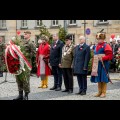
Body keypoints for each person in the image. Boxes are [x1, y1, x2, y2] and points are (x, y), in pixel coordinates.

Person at [14, 31, 36, 100]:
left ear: (29, 35)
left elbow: (34, 53)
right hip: (20, 63)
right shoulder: (21, 42)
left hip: (26, 64)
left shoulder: (31, 43)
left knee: (25, 79)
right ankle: (20, 95)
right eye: (24, 34)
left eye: (26, 34)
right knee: (19, 78)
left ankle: (26, 95)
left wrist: (25, 56)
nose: (24, 35)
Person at [90, 32, 113, 98]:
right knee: (98, 77)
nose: (98, 40)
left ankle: (103, 92)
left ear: (103, 39)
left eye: (99, 39)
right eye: (97, 39)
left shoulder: (106, 45)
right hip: (97, 64)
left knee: (103, 77)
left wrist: (103, 58)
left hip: (104, 64)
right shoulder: (96, 46)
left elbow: (110, 56)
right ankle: (99, 92)